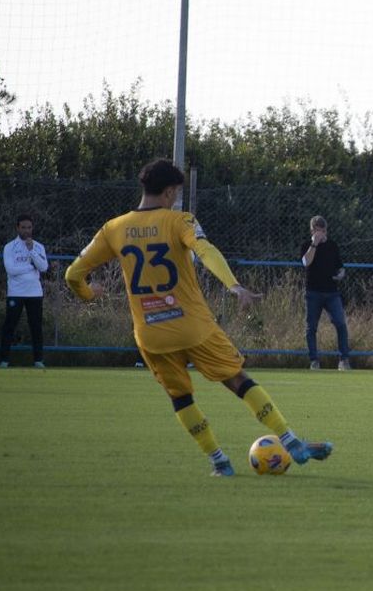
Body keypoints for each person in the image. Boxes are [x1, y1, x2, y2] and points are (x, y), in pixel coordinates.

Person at [64, 158, 333, 477]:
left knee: (180, 397)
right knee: (237, 379)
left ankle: (219, 461)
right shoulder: (180, 221)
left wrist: (89, 294)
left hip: (151, 334)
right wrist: (233, 285)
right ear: (167, 192)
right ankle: (289, 439)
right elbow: (206, 251)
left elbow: (72, 275)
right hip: (193, 326)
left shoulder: (113, 229)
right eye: (176, 193)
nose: (176, 199)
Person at [301, 215, 351, 370]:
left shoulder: (332, 246)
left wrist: (341, 274)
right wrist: (314, 245)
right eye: (317, 230)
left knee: (341, 323)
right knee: (311, 328)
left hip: (331, 293)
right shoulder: (306, 245)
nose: (320, 234)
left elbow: (340, 266)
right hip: (313, 292)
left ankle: (344, 360)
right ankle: (314, 361)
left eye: (322, 230)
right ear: (312, 230)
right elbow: (306, 262)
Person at [0, 214, 49, 367]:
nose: (27, 231)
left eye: (29, 227)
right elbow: (11, 269)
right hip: (16, 293)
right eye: (23, 227)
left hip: (35, 293)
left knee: (35, 326)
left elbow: (43, 267)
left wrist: (32, 251)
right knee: (10, 325)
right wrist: (30, 267)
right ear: (17, 228)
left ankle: (38, 360)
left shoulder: (39, 246)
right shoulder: (9, 247)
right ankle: (4, 360)